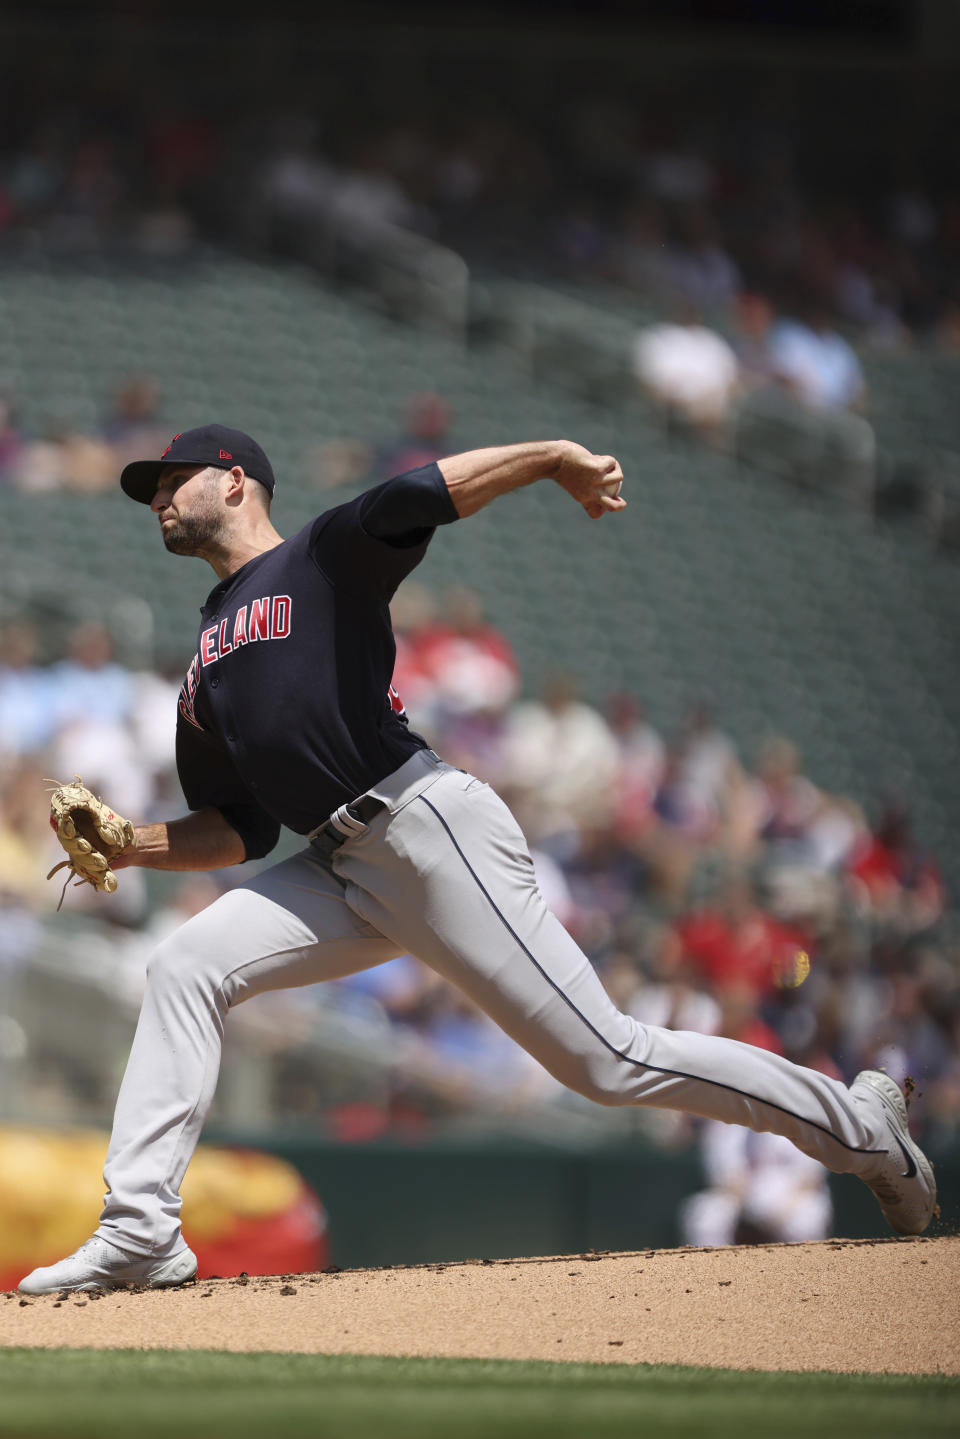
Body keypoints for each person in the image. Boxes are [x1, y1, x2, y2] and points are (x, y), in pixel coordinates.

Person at [19, 423, 935, 1294]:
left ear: (232, 481)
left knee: (606, 1062)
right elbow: (245, 830)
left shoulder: (321, 556)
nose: (157, 498)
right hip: (342, 870)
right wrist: (135, 845)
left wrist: (548, 459)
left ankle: (864, 1128)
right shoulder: (203, 666)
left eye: (172, 479)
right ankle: (140, 1228)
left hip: (425, 824)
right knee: (184, 963)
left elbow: (426, 491)